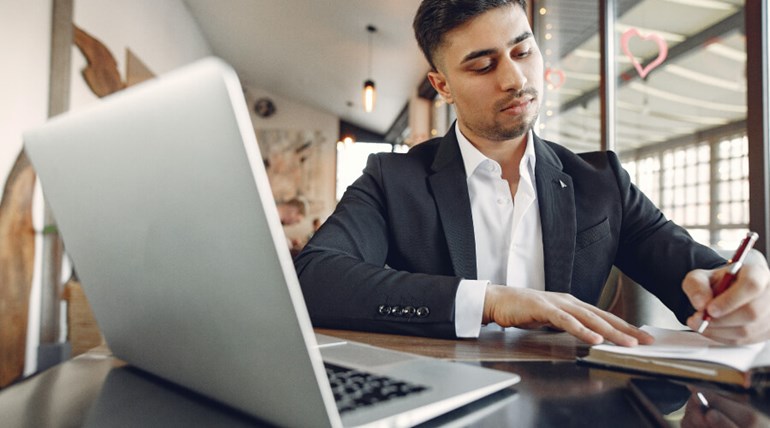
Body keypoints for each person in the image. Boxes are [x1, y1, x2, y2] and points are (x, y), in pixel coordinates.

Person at [294, 0, 770, 346]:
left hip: (575, 405)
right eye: (482, 65)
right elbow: (314, 279)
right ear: (442, 86)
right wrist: (489, 301)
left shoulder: (601, 181)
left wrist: (743, 287)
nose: (515, 80)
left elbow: (697, 275)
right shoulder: (390, 179)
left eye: (523, 52)